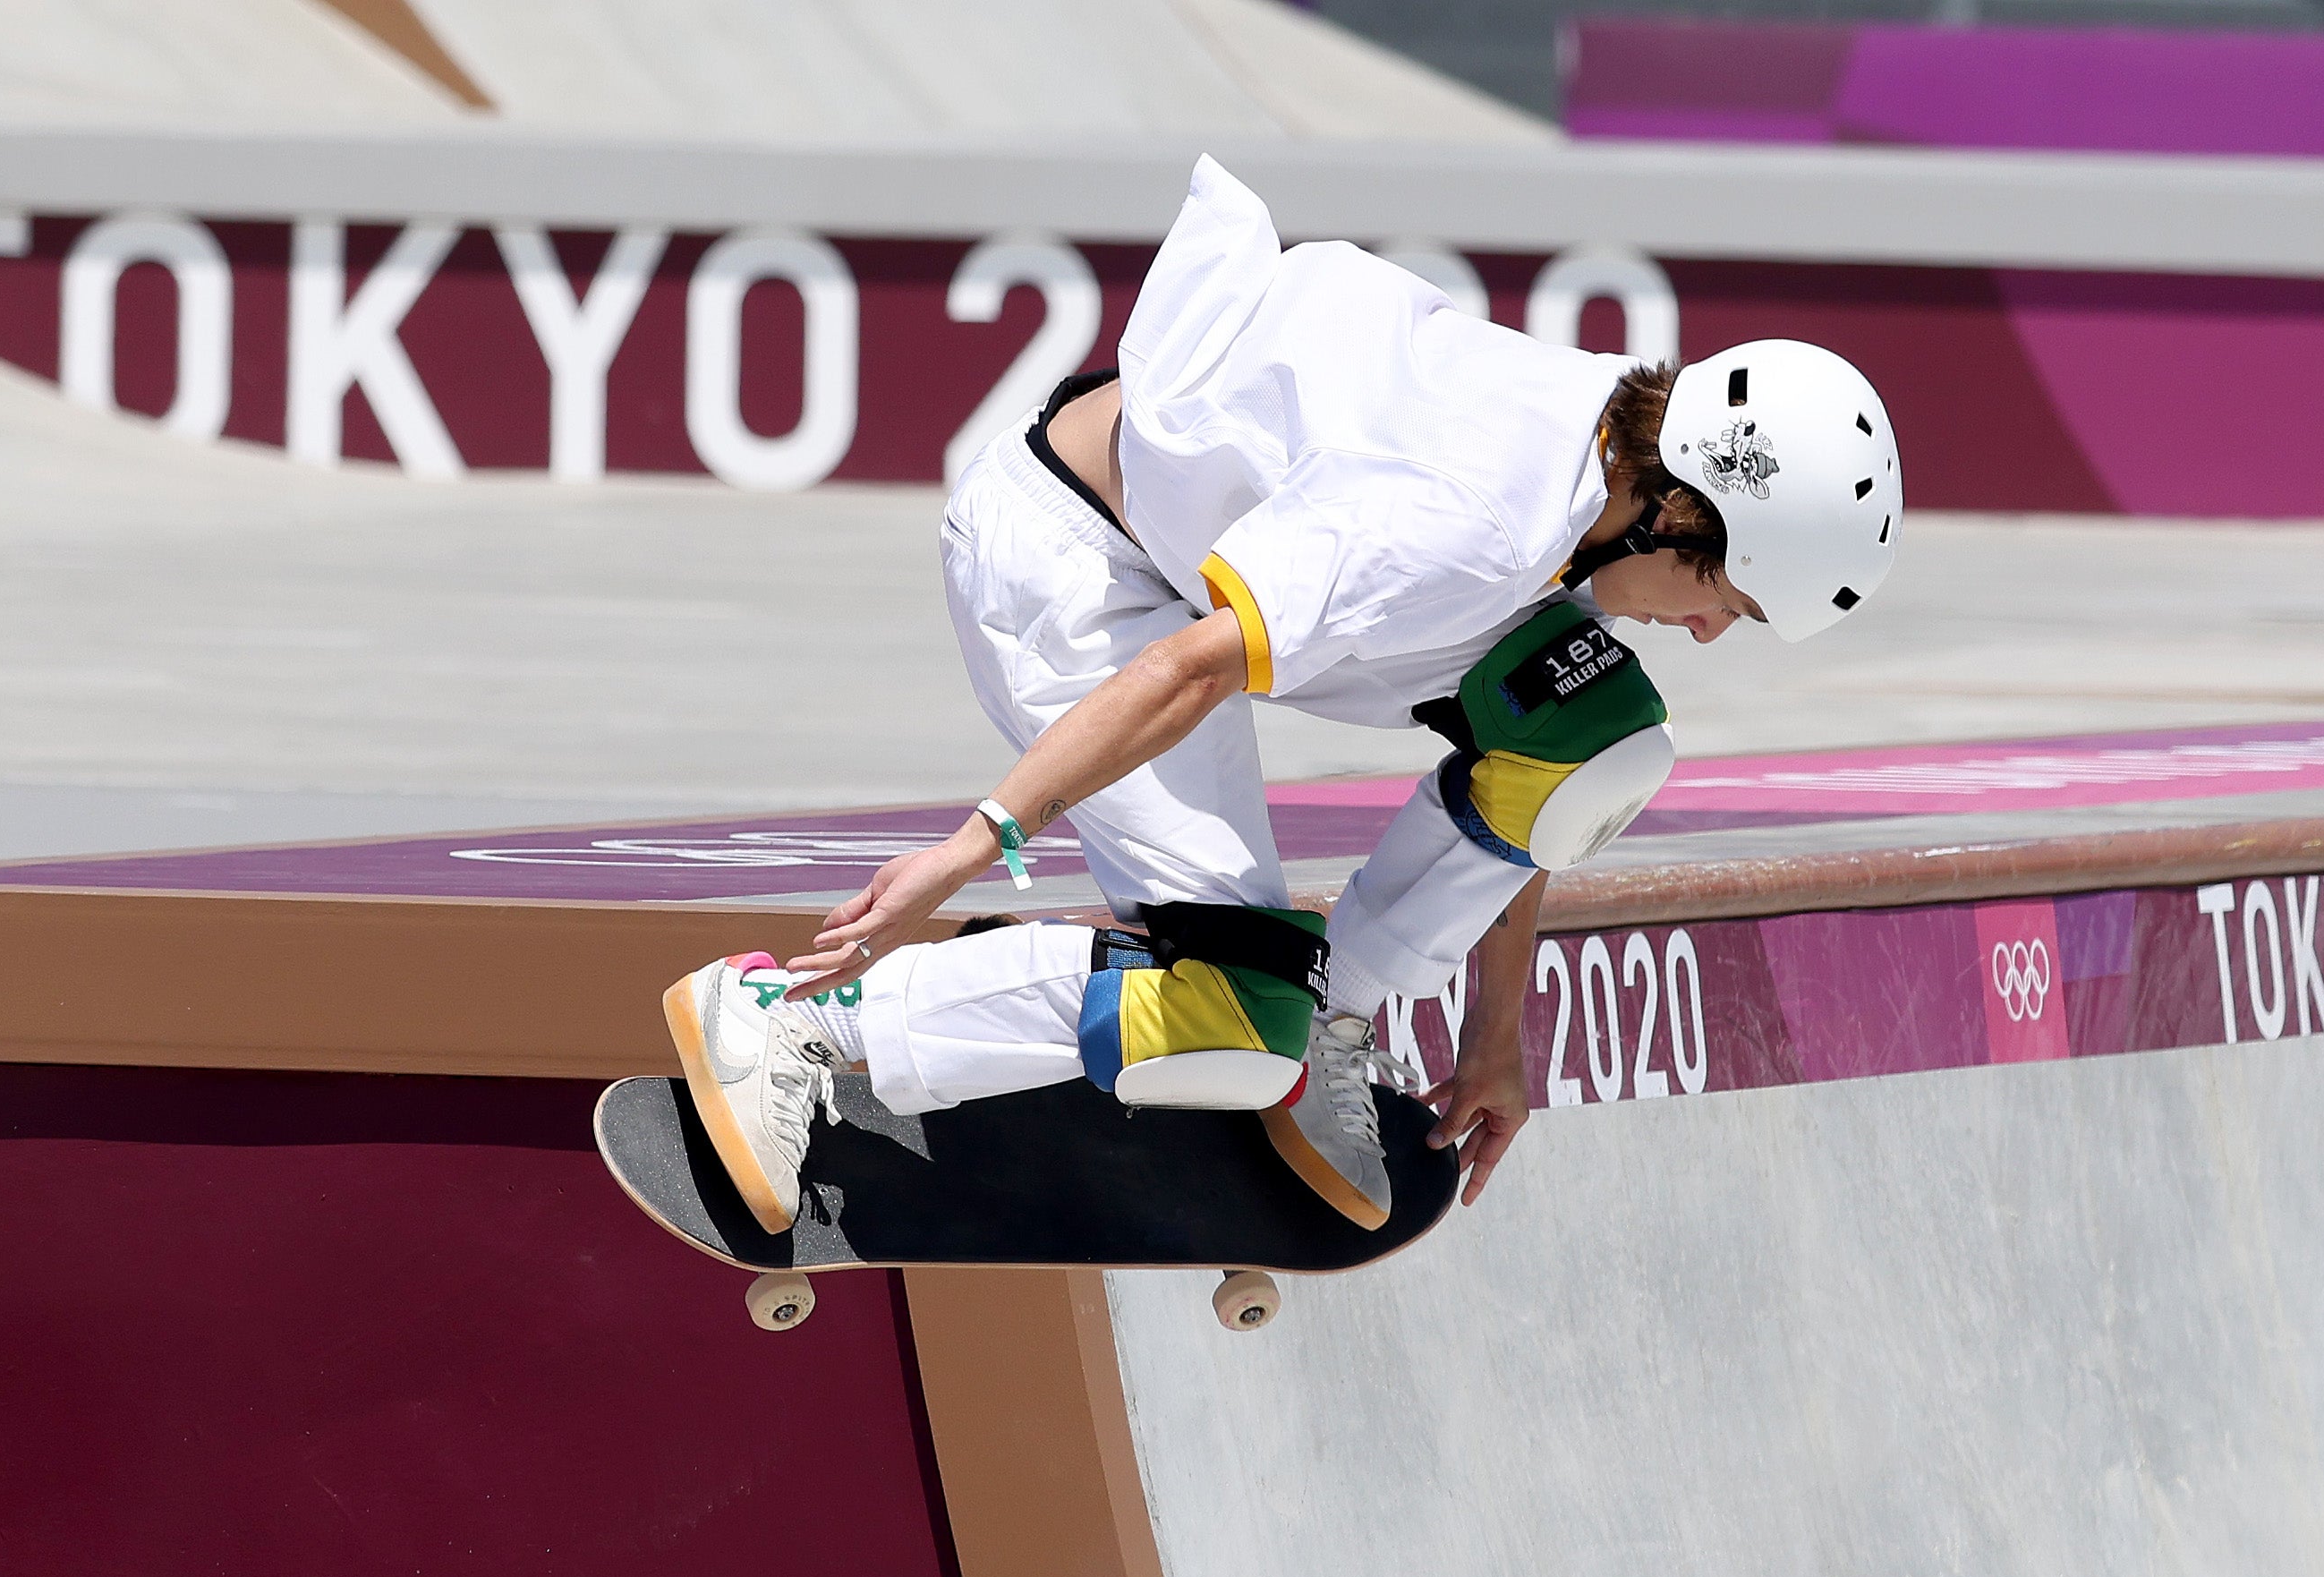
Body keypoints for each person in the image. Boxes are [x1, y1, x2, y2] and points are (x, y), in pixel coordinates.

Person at [666, 156, 1901, 1236]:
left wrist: (1496, 1033)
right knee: (1223, 1019)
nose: (1698, 632)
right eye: (1720, 600)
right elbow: (1182, 668)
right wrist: (972, 845)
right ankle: (793, 1022)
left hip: (1194, 554)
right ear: (1686, 513)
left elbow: (1527, 762)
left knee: (1593, 729)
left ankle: (1327, 1020)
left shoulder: (1606, 464)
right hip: (1074, 565)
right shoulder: (1467, 522)